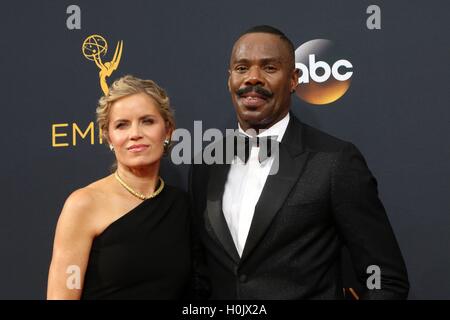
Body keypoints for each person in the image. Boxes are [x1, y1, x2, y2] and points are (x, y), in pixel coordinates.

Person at [189, 25, 409, 299]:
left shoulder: (335, 162)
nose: (252, 78)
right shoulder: (206, 164)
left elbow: (385, 279)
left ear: (293, 80)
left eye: (269, 68)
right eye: (242, 68)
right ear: (229, 79)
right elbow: (202, 276)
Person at [47, 75, 191, 299]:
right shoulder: (84, 205)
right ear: (108, 137)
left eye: (147, 121)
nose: (135, 134)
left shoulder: (182, 206)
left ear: (168, 130)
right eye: (122, 125)